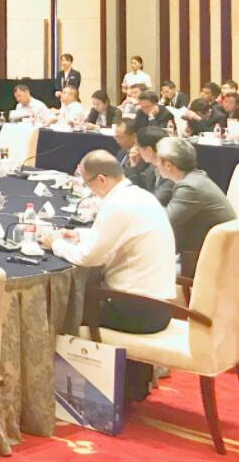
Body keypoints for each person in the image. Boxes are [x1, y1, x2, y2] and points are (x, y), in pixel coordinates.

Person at [38, 151, 176, 402]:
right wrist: (79, 234)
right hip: (160, 305)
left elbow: (88, 258)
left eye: (88, 183)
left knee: (57, 309)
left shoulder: (116, 205)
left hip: (137, 310)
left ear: (101, 179)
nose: (89, 190)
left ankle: (58, 394)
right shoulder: (138, 196)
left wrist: (54, 243)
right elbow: (116, 238)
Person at [155, 137, 237, 258]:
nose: (156, 164)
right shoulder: (195, 178)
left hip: (214, 256)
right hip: (207, 250)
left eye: (157, 160)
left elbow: (164, 222)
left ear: (168, 165)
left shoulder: (190, 188)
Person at [133, 127, 173, 207]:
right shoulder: (152, 166)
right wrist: (134, 165)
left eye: (137, 146)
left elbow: (154, 202)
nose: (135, 150)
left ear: (149, 150)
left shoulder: (171, 170)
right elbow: (140, 187)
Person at [113, 118, 148, 184]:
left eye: (120, 137)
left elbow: (141, 183)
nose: (117, 141)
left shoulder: (144, 158)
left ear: (134, 136)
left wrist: (133, 166)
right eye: (116, 137)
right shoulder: (121, 152)